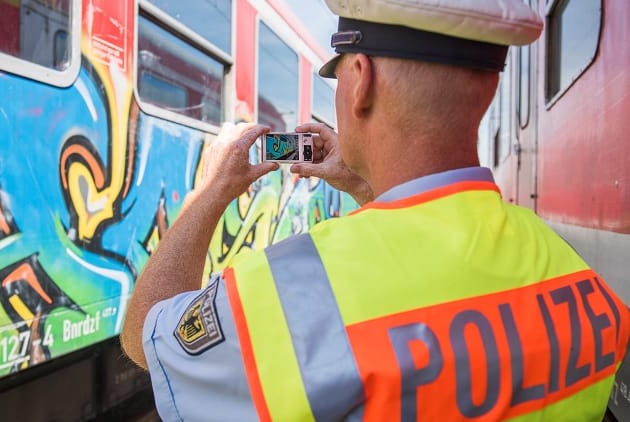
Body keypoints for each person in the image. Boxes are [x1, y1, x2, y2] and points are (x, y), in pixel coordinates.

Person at [121, 0, 630, 420]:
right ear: (489, 86)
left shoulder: (293, 295)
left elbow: (147, 338)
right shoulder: (578, 280)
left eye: (337, 74)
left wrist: (207, 192)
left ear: (360, 79)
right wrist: (366, 184)